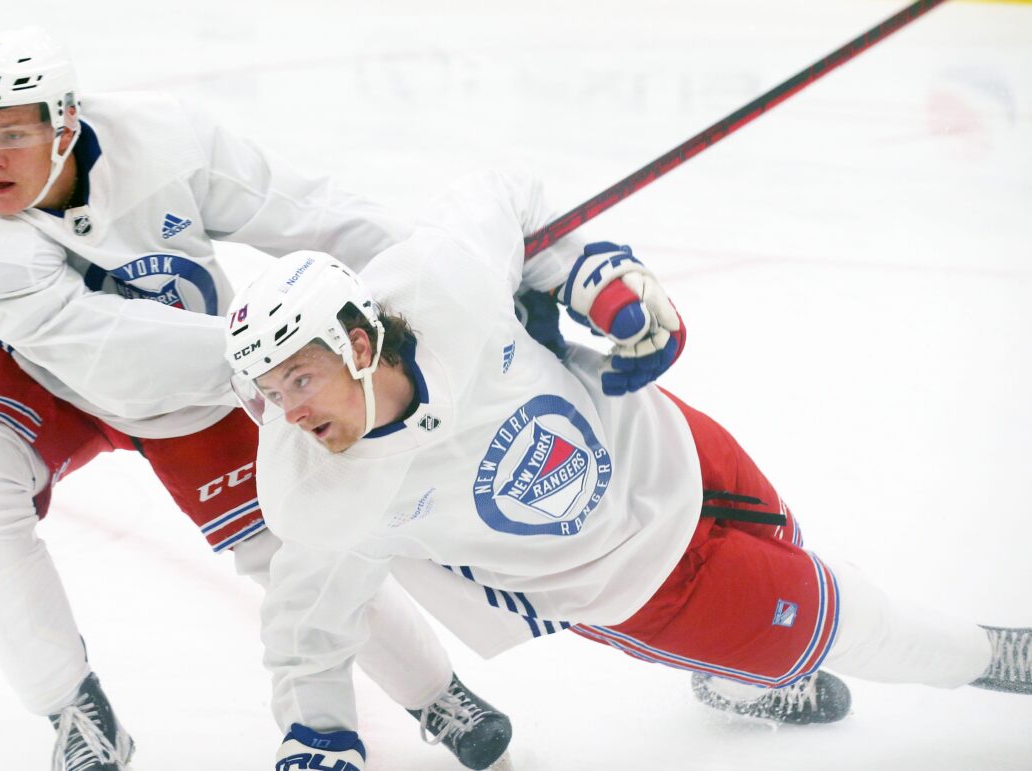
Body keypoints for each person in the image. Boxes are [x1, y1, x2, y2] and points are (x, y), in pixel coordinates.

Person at [223, 168, 1032, 768]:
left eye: (299, 378)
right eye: (270, 391)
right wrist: (316, 727)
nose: (289, 411)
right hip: (637, 586)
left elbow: (510, 196)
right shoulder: (317, 490)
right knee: (849, 617)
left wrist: (594, 275)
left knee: (792, 546)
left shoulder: (441, 282)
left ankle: (742, 681)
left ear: (358, 343)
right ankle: (991, 656)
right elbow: (308, 614)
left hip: (670, 443)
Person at [0, 26, 516, 771]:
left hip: (199, 387)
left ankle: (434, 692)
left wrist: (420, 273)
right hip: (45, 373)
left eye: (11, 132)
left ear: (65, 122)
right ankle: (74, 708)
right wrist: (279, 355)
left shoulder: (164, 139)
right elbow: (107, 346)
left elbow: (306, 211)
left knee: (301, 541)